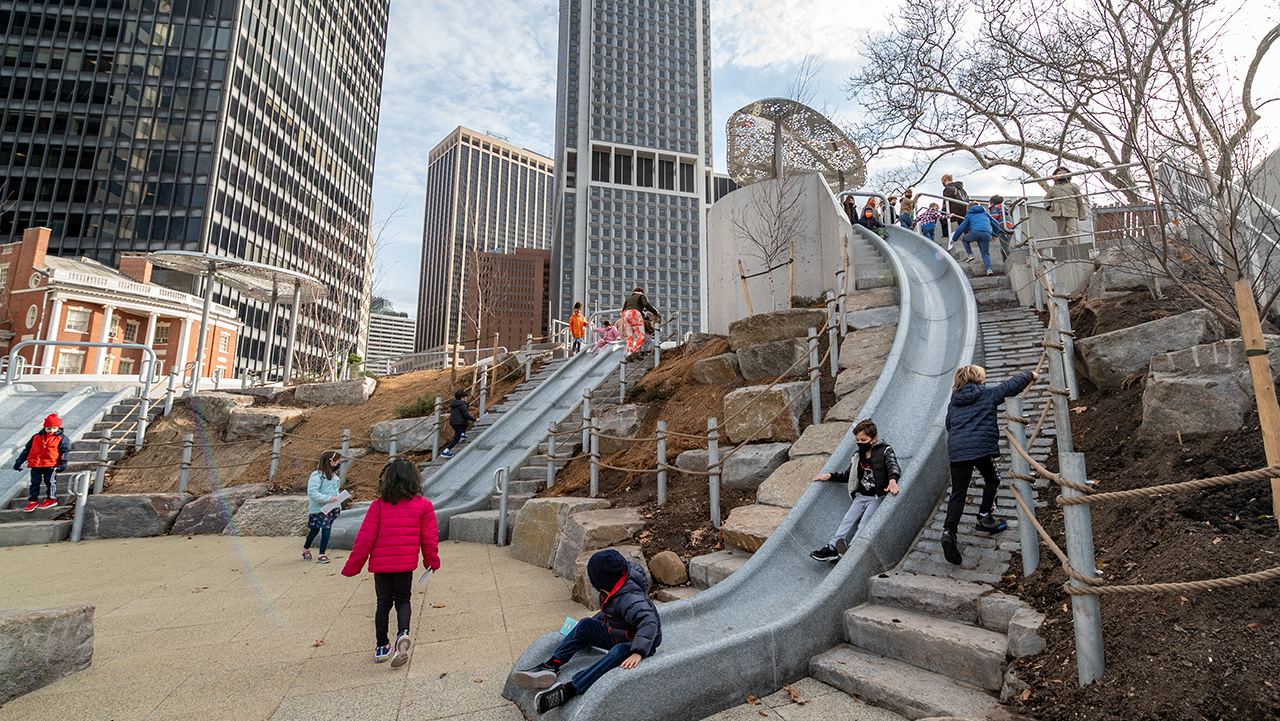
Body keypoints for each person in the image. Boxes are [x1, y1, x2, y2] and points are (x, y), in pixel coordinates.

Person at [512, 549, 662, 714]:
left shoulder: (630, 598)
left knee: (619, 651)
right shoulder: (613, 588)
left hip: (636, 643)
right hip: (617, 634)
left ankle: (569, 689)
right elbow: (611, 614)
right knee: (585, 624)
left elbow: (649, 621)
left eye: (592, 578)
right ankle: (552, 665)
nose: (591, 582)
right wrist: (589, 628)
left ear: (601, 582)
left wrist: (638, 652)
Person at [341, 459, 440, 667]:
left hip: (381, 565)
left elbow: (364, 539)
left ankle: (381, 647)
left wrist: (353, 566)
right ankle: (403, 634)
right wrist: (432, 561)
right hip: (405, 564)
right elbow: (429, 539)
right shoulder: (424, 505)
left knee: (383, 603)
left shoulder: (378, 506)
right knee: (403, 600)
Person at [942, 365, 1037, 566]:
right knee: (993, 479)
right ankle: (985, 517)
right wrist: (1030, 375)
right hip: (979, 448)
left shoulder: (954, 401)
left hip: (957, 449)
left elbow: (949, 424)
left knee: (958, 492)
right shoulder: (987, 393)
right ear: (980, 380)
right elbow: (1010, 386)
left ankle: (949, 530)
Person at [809, 419, 901, 562]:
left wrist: (892, 480)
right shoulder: (858, 455)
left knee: (864, 522)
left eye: (863, 440)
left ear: (874, 439)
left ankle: (852, 549)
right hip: (861, 495)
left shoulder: (884, 451)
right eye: (857, 440)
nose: (859, 443)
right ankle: (833, 547)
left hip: (876, 497)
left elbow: (893, 466)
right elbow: (849, 475)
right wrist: (830, 476)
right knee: (847, 520)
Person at [13, 414, 68, 512]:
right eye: (48, 428)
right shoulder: (36, 437)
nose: (51, 430)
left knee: (50, 481)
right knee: (34, 482)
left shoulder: (61, 438)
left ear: (58, 428)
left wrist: (63, 463)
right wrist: (19, 461)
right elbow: (27, 450)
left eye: (54, 428)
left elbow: (64, 451)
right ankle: (33, 500)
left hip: (51, 464)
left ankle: (51, 498)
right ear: (44, 427)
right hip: (36, 463)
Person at [303, 450, 345, 563]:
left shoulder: (335, 477)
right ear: (331, 462)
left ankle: (322, 554)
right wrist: (328, 499)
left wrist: (338, 504)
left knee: (326, 530)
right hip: (318, 509)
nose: (339, 464)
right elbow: (312, 493)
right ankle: (306, 548)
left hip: (330, 509)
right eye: (338, 462)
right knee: (314, 531)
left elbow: (335, 493)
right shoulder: (317, 476)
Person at [952, 201, 1000, 275]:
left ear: (968, 208)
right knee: (985, 253)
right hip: (986, 234)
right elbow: (996, 223)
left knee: (965, 239)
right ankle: (989, 270)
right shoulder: (985, 213)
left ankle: (970, 255)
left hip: (975, 232)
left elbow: (962, 227)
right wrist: (994, 235)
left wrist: (954, 239)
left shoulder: (969, 214)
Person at [1043, 166, 1088, 244]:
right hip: (1059, 213)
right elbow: (1046, 200)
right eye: (1059, 173)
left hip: (1071, 212)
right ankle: (1064, 248)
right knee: (1062, 232)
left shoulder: (1073, 186)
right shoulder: (1053, 189)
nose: (1062, 175)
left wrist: (1082, 214)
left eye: (1064, 173)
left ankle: (1073, 247)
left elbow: (1080, 200)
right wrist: (1049, 207)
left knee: (1072, 230)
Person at [620, 287, 660, 362]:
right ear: (642, 292)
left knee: (630, 336)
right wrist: (655, 313)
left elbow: (623, 309)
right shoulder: (641, 296)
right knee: (641, 335)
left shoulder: (628, 299)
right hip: (635, 313)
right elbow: (646, 304)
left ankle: (629, 354)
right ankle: (635, 351)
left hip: (625, 314)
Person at [440, 389, 476, 458]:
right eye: (465, 397)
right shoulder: (463, 405)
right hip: (459, 424)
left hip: (453, 422)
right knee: (456, 439)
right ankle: (445, 452)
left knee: (467, 422)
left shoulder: (454, 404)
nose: (466, 398)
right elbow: (466, 415)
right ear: (462, 398)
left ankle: (462, 434)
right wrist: (475, 419)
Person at [941, 174, 969, 240]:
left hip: (954, 207)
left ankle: (946, 234)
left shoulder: (949, 188)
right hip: (964, 208)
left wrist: (944, 207)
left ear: (946, 180)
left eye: (943, 182)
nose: (943, 184)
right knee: (962, 221)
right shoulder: (961, 189)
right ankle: (967, 235)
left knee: (943, 216)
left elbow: (947, 199)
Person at [988, 195, 1014, 261]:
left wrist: (987, 220)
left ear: (992, 202)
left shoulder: (995, 207)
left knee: (1005, 247)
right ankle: (1006, 262)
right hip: (1009, 227)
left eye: (990, 203)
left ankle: (1012, 260)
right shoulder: (1003, 208)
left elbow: (994, 217)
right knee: (1003, 248)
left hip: (1002, 228)